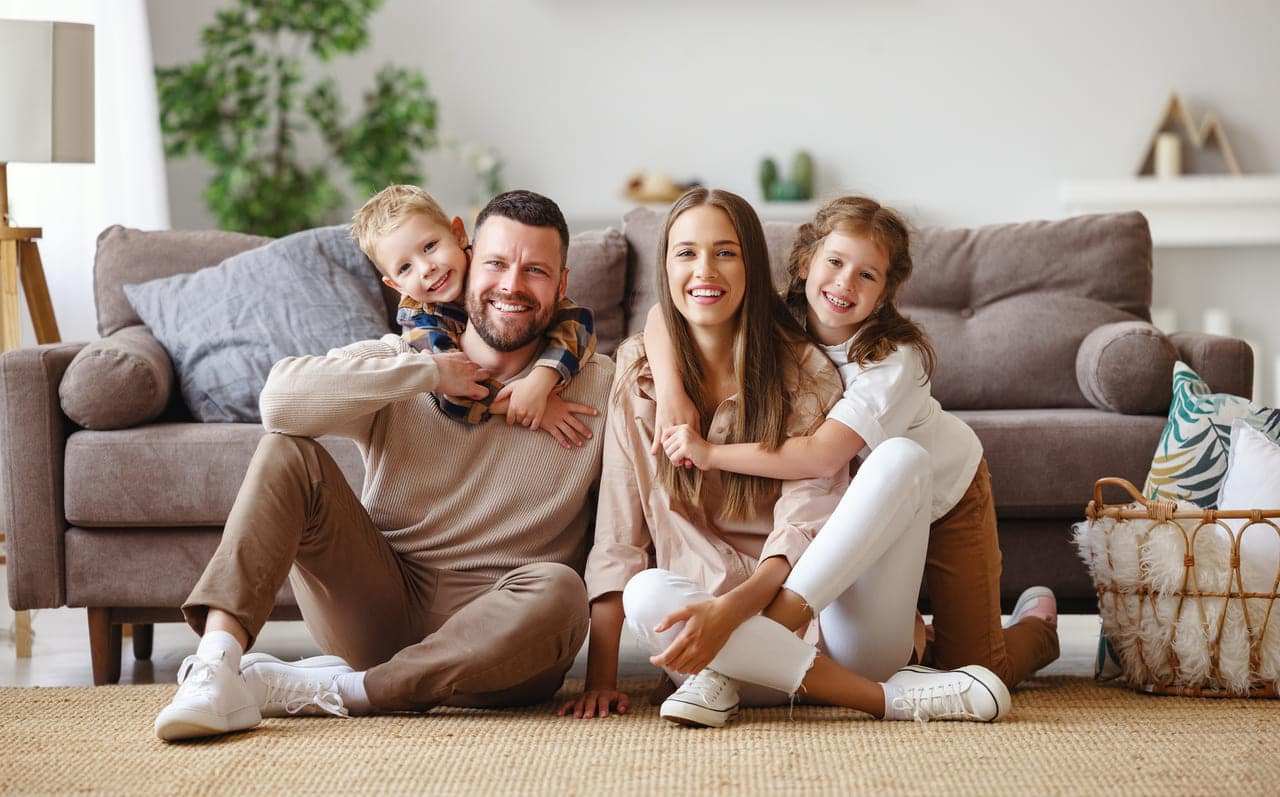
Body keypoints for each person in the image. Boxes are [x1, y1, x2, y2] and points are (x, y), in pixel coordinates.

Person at [154, 189, 614, 742]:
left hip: (506, 642)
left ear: (561, 285)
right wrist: (426, 374)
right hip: (379, 607)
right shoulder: (402, 360)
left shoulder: (601, 386)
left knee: (561, 590)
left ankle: (352, 690)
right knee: (285, 451)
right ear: (469, 262)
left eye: (535, 270)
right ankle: (215, 668)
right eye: (496, 264)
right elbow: (278, 403)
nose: (512, 285)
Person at [559, 187, 1009, 728]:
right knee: (645, 591)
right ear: (802, 266)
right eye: (686, 252)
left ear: (752, 263)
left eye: (726, 252)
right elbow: (617, 533)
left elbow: (813, 492)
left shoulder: (813, 365)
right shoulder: (641, 373)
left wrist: (738, 607)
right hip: (707, 645)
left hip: (821, 618)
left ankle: (1024, 630)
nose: (706, 268)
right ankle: (880, 695)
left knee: (902, 460)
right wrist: (601, 680)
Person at [655, 195, 1060, 689]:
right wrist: (672, 394)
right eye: (835, 262)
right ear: (805, 264)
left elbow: (824, 456)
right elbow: (663, 315)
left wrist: (711, 453)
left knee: (976, 668)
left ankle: (1037, 629)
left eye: (868, 275)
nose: (846, 282)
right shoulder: (780, 322)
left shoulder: (894, 360)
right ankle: (918, 643)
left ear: (886, 292)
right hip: (862, 504)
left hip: (943, 493)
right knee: (893, 645)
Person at [352, 183, 597, 439]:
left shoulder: (489, 262)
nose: (426, 268)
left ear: (458, 234)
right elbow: (456, 392)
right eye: (405, 268)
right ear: (396, 285)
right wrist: (525, 404)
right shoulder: (420, 322)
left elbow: (577, 321)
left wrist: (541, 380)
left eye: (429, 247)